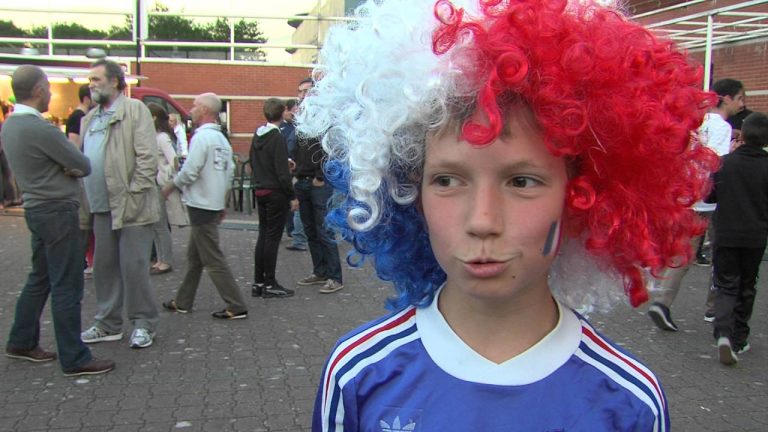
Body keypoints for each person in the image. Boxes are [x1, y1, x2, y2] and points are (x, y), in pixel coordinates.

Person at [297, 0, 721, 430]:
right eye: (447, 180)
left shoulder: (628, 403)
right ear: (409, 194)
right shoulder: (360, 375)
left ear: (579, 200)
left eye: (521, 182)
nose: (482, 220)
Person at [2, 65, 114, 376]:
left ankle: (21, 340)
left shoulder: (10, 125)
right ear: (38, 90)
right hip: (58, 210)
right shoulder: (41, 129)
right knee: (67, 283)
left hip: (36, 209)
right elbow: (81, 163)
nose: (51, 93)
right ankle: (75, 357)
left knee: (39, 277)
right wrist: (68, 168)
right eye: (48, 88)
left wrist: (65, 166)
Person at [648, 78, 745, 331]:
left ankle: (662, 301)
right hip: (711, 200)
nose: (742, 103)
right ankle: (715, 308)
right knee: (721, 256)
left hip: (687, 197)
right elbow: (717, 165)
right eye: (740, 98)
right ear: (727, 98)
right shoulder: (722, 127)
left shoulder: (695, 124)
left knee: (684, 254)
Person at [79, 59, 161, 349]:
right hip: (101, 206)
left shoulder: (134, 110)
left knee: (134, 266)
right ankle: (108, 323)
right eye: (90, 80)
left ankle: (143, 323)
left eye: (97, 79)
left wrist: (136, 192)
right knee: (104, 267)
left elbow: (147, 157)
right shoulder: (89, 118)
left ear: (114, 81)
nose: (91, 84)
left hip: (132, 206)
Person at [161, 92, 248, 320]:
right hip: (212, 203)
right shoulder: (221, 140)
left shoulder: (201, 138)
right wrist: (222, 202)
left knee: (212, 258)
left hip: (200, 203)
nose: (191, 109)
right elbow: (228, 172)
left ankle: (236, 304)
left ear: (205, 110)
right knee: (195, 256)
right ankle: (183, 300)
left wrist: (171, 186)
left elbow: (190, 171)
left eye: (195, 105)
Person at [708, 112, 768, 365]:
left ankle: (722, 332)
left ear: (741, 134)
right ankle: (739, 338)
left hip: (726, 233)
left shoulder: (724, 163)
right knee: (747, 285)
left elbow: (710, 197)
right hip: (755, 236)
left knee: (725, 284)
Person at [294, 78, 344, 294]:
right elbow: (297, 148)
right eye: (300, 91)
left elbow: (329, 149)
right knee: (310, 230)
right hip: (302, 180)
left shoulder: (325, 117)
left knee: (324, 231)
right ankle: (320, 271)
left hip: (318, 183)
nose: (302, 95)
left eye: (306, 91)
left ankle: (335, 276)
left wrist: (320, 176)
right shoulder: (301, 119)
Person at [250, 98, 299, 298]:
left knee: (263, 236)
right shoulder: (277, 137)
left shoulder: (258, 134)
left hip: (260, 188)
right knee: (272, 238)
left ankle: (258, 282)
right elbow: (281, 172)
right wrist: (292, 196)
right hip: (275, 192)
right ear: (282, 113)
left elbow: (256, 161)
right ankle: (270, 283)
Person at [64, 84, 96, 280]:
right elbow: (74, 147)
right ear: (86, 98)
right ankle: (82, 261)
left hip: (87, 174)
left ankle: (89, 260)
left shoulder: (85, 116)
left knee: (89, 222)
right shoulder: (77, 117)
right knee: (85, 222)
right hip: (84, 176)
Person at [147, 103, 181, 275]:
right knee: (155, 224)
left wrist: (164, 173)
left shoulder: (162, 138)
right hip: (152, 183)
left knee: (160, 224)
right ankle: (160, 258)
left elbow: (173, 160)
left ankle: (165, 260)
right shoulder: (153, 136)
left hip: (158, 183)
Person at [281, 98, 308, 251]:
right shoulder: (292, 130)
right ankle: (296, 235)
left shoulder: (297, 128)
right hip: (296, 172)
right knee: (295, 205)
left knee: (296, 206)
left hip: (299, 172)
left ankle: (297, 235)